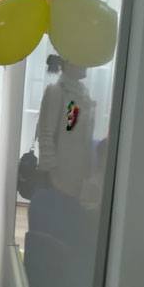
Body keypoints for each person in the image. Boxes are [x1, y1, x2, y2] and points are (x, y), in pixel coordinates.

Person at [36, 54, 95, 199]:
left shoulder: (83, 93)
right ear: (68, 63)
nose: (86, 64)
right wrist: (51, 173)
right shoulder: (56, 92)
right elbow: (46, 134)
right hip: (59, 178)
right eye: (81, 59)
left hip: (78, 174)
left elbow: (76, 129)